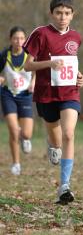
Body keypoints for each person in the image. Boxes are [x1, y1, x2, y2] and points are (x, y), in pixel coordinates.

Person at [23, 0, 83, 205]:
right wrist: (48, 64)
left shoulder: (76, 37)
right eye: (58, 13)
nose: (62, 17)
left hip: (69, 94)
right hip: (46, 94)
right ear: (52, 13)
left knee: (69, 134)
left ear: (72, 15)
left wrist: (80, 76)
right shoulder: (40, 34)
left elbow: (72, 65)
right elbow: (27, 65)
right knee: (57, 139)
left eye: (67, 13)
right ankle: (52, 145)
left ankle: (64, 186)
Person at [0, 26, 35, 176]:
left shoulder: (29, 54)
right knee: (14, 131)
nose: (19, 41)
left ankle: (25, 139)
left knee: (26, 134)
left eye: (22, 38)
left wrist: (34, 81)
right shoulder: (4, 55)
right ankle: (16, 163)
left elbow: (37, 70)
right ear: (11, 39)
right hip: (8, 95)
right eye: (16, 38)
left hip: (26, 95)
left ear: (25, 40)